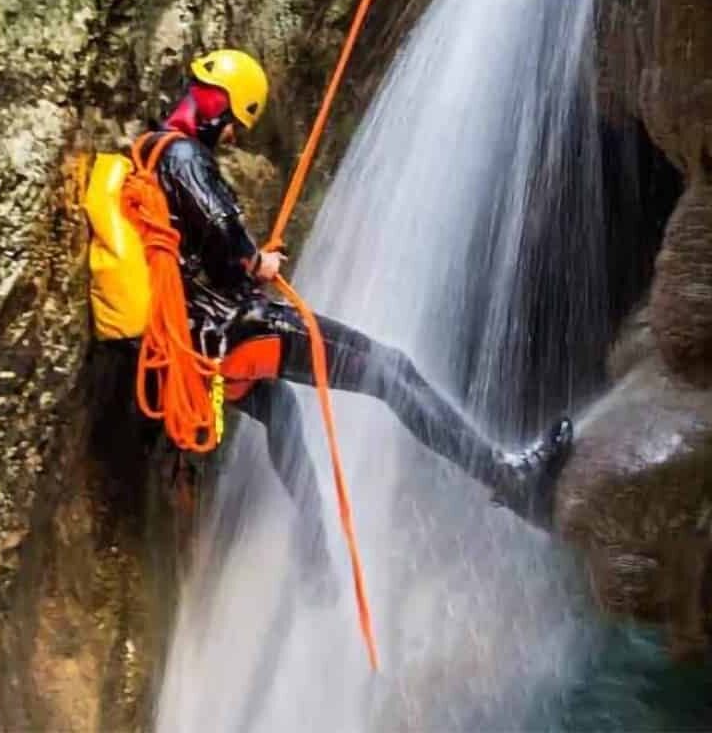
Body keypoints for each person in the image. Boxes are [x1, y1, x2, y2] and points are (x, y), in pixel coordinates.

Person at [145, 49, 573, 543]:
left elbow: (197, 253)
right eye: (234, 125)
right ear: (219, 104)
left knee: (280, 408)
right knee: (390, 371)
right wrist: (256, 261)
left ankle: (316, 550)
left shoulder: (152, 155)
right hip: (235, 329)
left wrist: (244, 261)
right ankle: (506, 476)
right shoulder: (182, 154)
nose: (230, 137)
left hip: (205, 339)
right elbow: (223, 231)